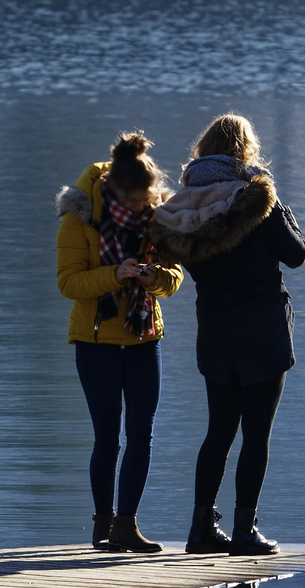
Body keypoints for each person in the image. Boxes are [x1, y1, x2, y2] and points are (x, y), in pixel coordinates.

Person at [149, 114, 305, 556]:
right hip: (262, 331)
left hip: (215, 333)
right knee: (257, 434)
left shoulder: (183, 207)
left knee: (219, 430)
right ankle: (243, 531)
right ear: (244, 150)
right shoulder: (256, 197)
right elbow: (296, 254)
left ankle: (200, 529)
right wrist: (284, 213)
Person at [56, 132, 183, 553]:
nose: (140, 208)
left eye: (145, 201)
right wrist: (117, 274)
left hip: (145, 337)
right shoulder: (80, 214)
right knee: (107, 437)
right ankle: (103, 525)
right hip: (96, 343)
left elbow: (175, 276)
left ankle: (128, 526)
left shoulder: (157, 213)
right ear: (114, 191)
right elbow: (68, 282)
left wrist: (154, 278)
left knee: (141, 434)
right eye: (133, 202)